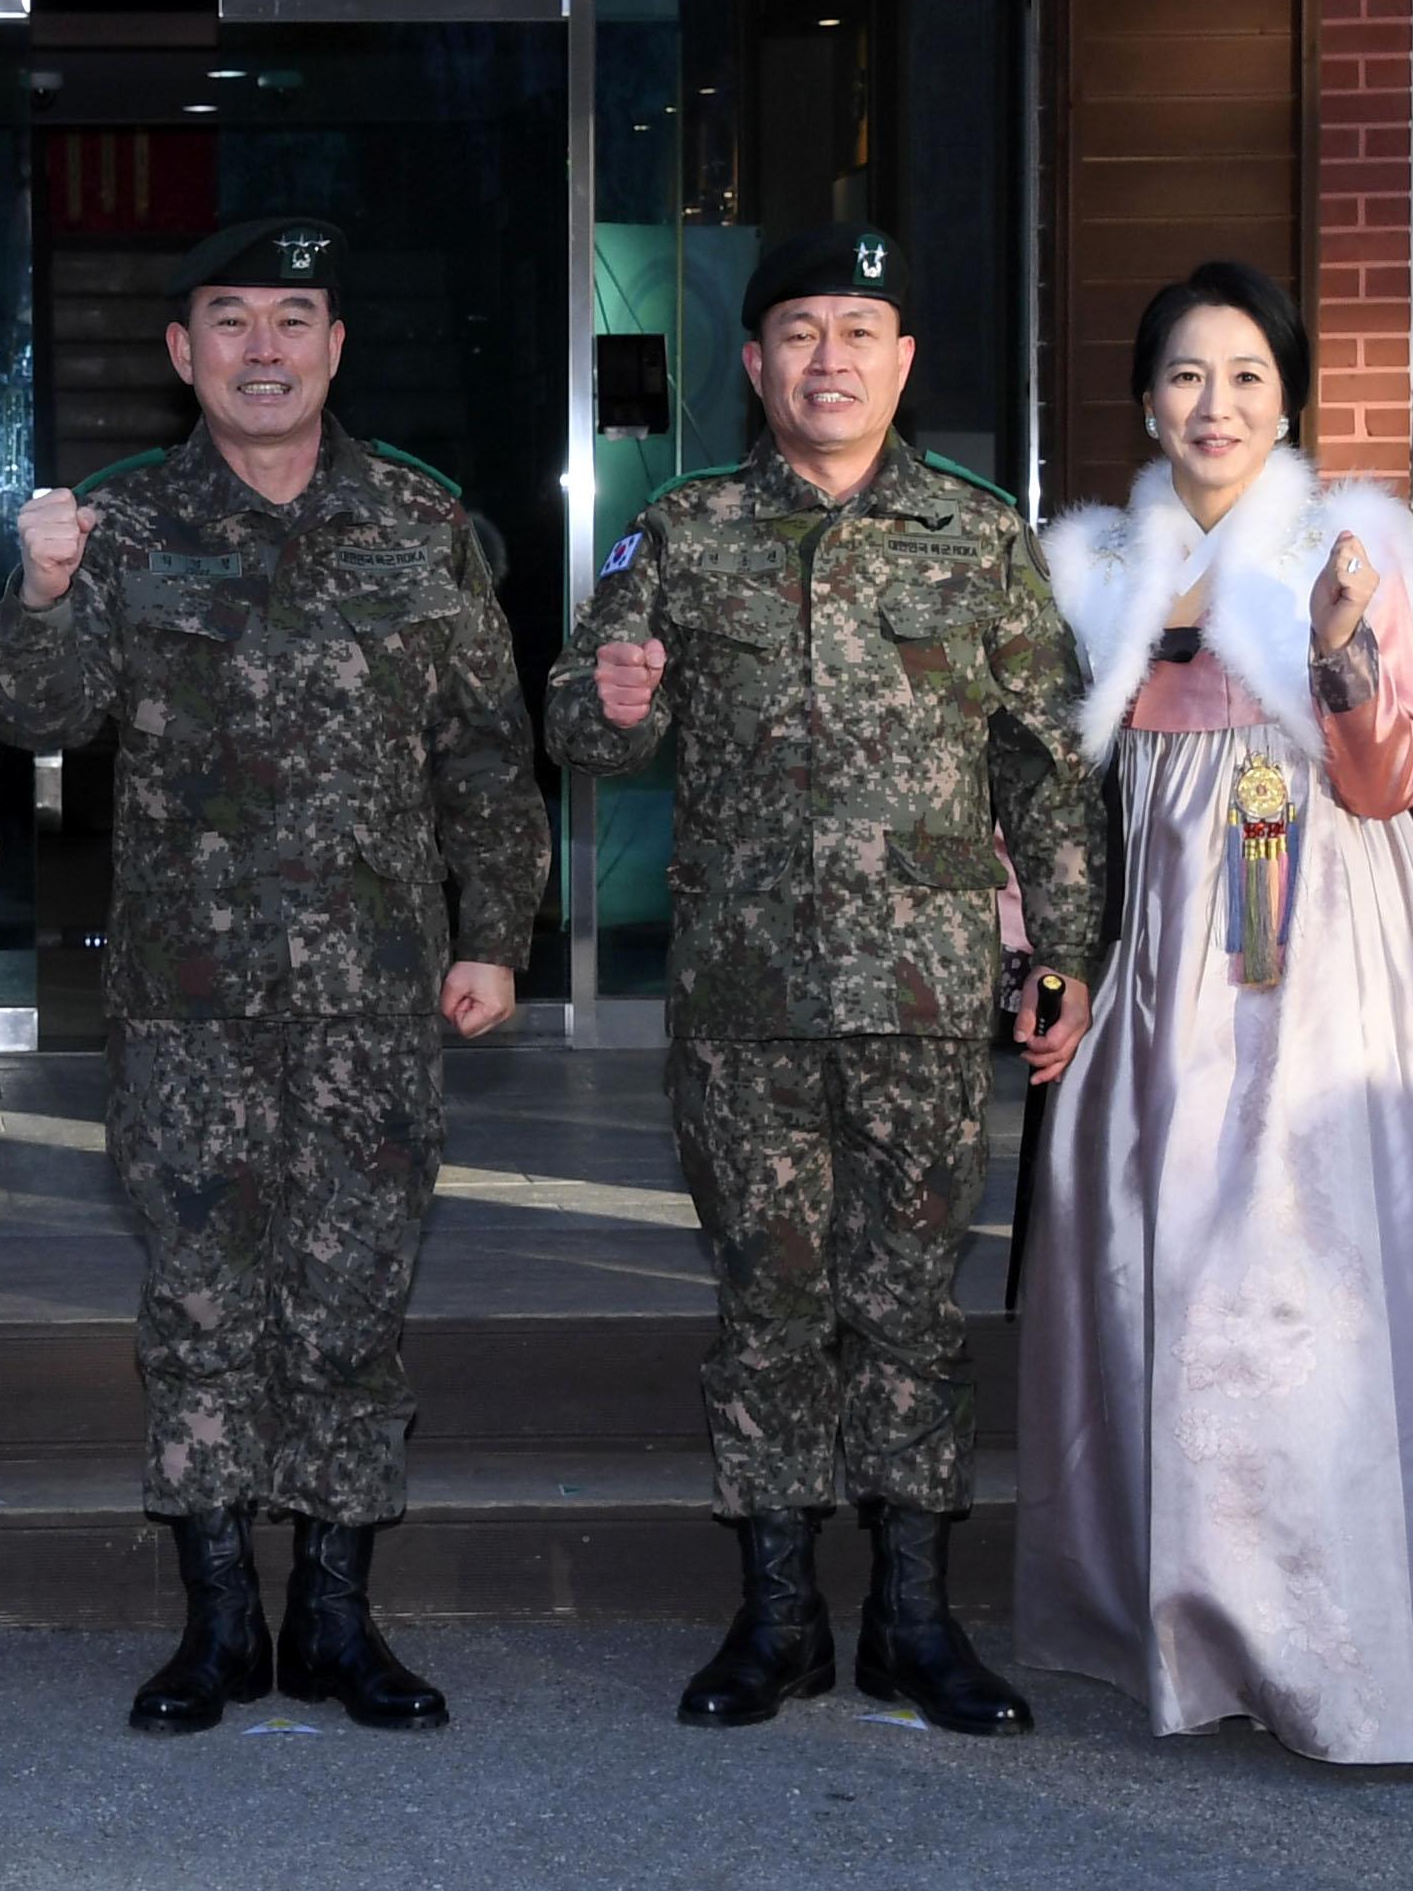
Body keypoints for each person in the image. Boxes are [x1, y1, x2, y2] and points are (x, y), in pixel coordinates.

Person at [0, 216, 551, 1736]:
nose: (265, 349)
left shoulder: (421, 528)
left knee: (356, 1302)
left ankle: (341, 1621)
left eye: (294, 318)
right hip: (189, 1002)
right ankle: (220, 1619)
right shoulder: (120, 529)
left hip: (376, 999)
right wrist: (37, 594)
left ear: (337, 346)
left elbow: (488, 754)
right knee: (205, 1309)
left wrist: (497, 932)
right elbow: (35, 715)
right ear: (182, 354)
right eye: (230, 321)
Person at [542, 221, 1106, 1739]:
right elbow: (583, 730)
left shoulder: (980, 538)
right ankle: (776, 1615)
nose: (831, 358)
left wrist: (1064, 950)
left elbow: (1045, 764)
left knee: (912, 1313)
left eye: (861, 331)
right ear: (754, 362)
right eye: (800, 332)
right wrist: (607, 701)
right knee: (770, 1308)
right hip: (743, 999)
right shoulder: (683, 533)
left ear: (904, 361)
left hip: (923, 1000)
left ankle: (915, 1620)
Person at [1013, 259, 1413, 1765]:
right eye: (1188, 375)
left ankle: (1329, 1623)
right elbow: (1043, 799)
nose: (1217, 405)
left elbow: (1389, 781)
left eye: (1248, 376)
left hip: (1316, 947)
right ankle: (1177, 1616)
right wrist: (1035, 949)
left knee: (1303, 1268)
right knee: (1158, 1254)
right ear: (1144, 399)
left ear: (1288, 400)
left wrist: (1338, 648)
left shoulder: (1348, 543)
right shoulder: (1093, 571)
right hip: (1163, 944)